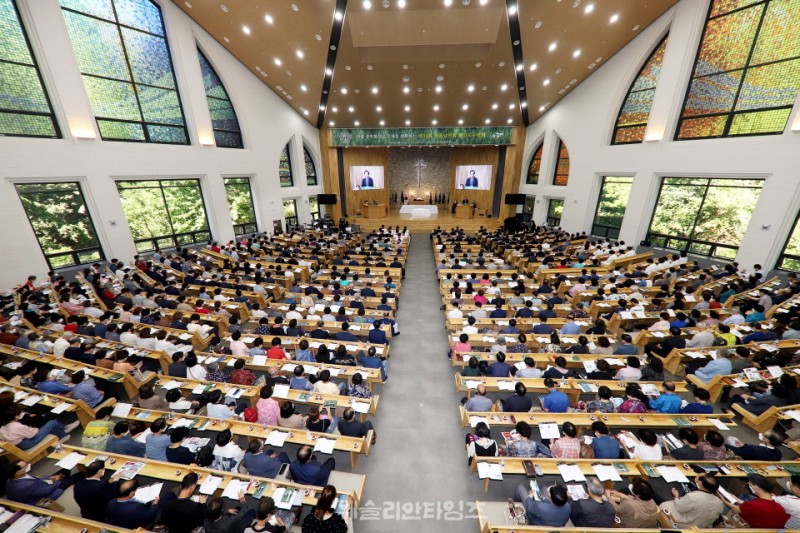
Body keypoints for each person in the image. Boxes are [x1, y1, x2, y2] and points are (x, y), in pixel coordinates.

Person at [5, 459, 84, 506]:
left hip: (39, 487)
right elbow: (47, 491)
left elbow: (37, 481)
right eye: (25, 466)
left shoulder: (10, 480)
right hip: (44, 498)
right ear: (18, 472)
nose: (28, 465)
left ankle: (62, 478)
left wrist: (50, 478)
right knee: (80, 474)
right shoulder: (27, 485)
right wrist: (58, 480)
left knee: (65, 469)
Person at [720, 474, 789, 528]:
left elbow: (735, 509)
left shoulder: (756, 504)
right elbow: (751, 507)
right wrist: (737, 499)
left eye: (750, 484)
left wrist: (722, 498)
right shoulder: (780, 507)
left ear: (757, 487)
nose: (749, 486)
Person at [658, 473, 725, 528]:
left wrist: (676, 496)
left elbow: (680, 507)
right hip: (702, 526)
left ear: (700, 483)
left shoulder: (693, 497)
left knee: (664, 505)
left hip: (686, 525)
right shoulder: (720, 503)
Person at [0, 405, 75, 449]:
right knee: (52, 422)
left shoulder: (2, 427)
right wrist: (35, 429)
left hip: (19, 444)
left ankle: (63, 434)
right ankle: (65, 429)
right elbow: (31, 435)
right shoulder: (16, 426)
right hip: (28, 442)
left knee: (49, 427)